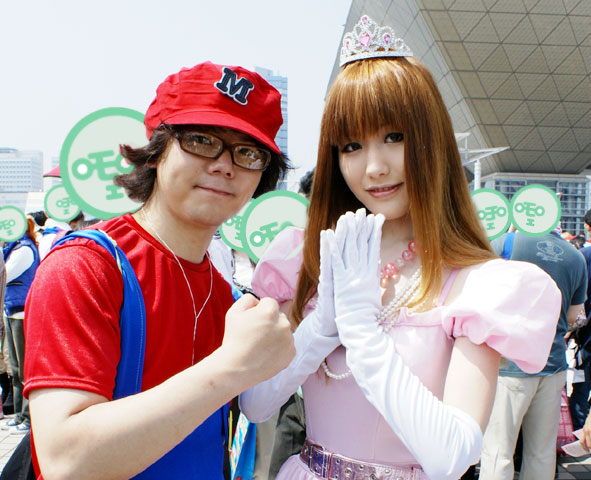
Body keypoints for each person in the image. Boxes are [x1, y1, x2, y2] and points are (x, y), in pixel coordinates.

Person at [239, 15, 561, 480]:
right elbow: (256, 403)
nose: (374, 167)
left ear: (432, 142)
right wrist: (321, 327)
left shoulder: (478, 283)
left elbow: (452, 458)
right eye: (351, 146)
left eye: (394, 137)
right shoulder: (304, 257)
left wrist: (362, 334)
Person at [23, 61, 295, 480]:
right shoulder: (86, 267)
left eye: (248, 152)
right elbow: (66, 462)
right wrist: (229, 368)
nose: (225, 165)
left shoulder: (228, 298)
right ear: (157, 149)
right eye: (201, 140)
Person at [479, 229, 586, 480]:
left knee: (498, 453)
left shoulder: (505, 242)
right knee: (542, 453)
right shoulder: (575, 256)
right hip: (553, 364)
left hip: (509, 364)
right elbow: (573, 315)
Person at [3, 216, 40, 434]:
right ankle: (19, 415)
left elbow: (6, 273)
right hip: (11, 311)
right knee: (15, 368)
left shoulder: (24, 249)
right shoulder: (14, 248)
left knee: (25, 369)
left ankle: (27, 417)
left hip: (22, 313)